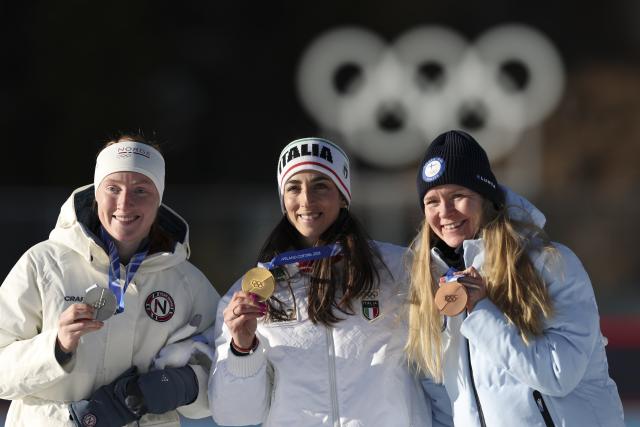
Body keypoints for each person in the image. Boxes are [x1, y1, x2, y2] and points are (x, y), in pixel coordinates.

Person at [209, 137, 452, 426]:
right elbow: (235, 416)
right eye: (293, 187)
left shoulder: (401, 270)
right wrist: (241, 348)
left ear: (343, 194)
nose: (306, 200)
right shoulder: (252, 293)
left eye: (321, 185)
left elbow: (444, 375)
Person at [405, 130, 625, 426]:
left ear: (485, 198)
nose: (444, 212)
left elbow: (558, 374)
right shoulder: (430, 283)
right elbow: (444, 400)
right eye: (432, 201)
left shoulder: (550, 264)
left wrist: (482, 311)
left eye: (458, 196)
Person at [0, 134, 220, 426]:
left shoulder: (187, 283)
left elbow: (224, 375)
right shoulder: (44, 265)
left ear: (159, 198)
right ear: (96, 193)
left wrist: (181, 384)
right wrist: (56, 347)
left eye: (141, 190)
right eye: (113, 188)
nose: (124, 203)